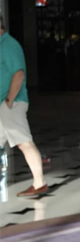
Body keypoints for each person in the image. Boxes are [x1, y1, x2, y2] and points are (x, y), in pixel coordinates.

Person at [0, 12, 48, 197]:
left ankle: (39, 183)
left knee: (24, 142)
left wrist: (9, 102)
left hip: (12, 104)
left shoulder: (8, 45)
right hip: (5, 105)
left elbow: (18, 75)